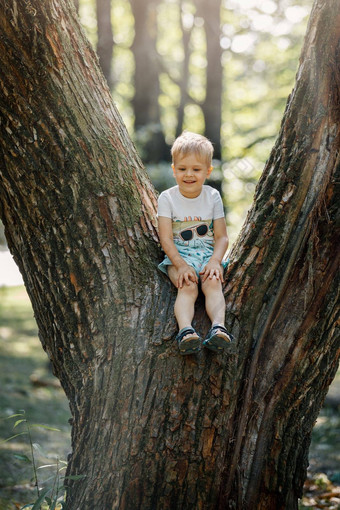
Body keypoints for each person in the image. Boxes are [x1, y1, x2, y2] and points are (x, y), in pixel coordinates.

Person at [157, 131, 233, 355]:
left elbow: (222, 237)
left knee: (213, 283)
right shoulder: (167, 198)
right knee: (187, 287)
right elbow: (166, 239)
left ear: (207, 171)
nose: (188, 174)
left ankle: (219, 328)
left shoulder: (212, 196)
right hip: (178, 256)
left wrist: (215, 261)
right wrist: (180, 265)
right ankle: (186, 331)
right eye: (182, 169)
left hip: (208, 255)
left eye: (196, 169)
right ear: (174, 169)